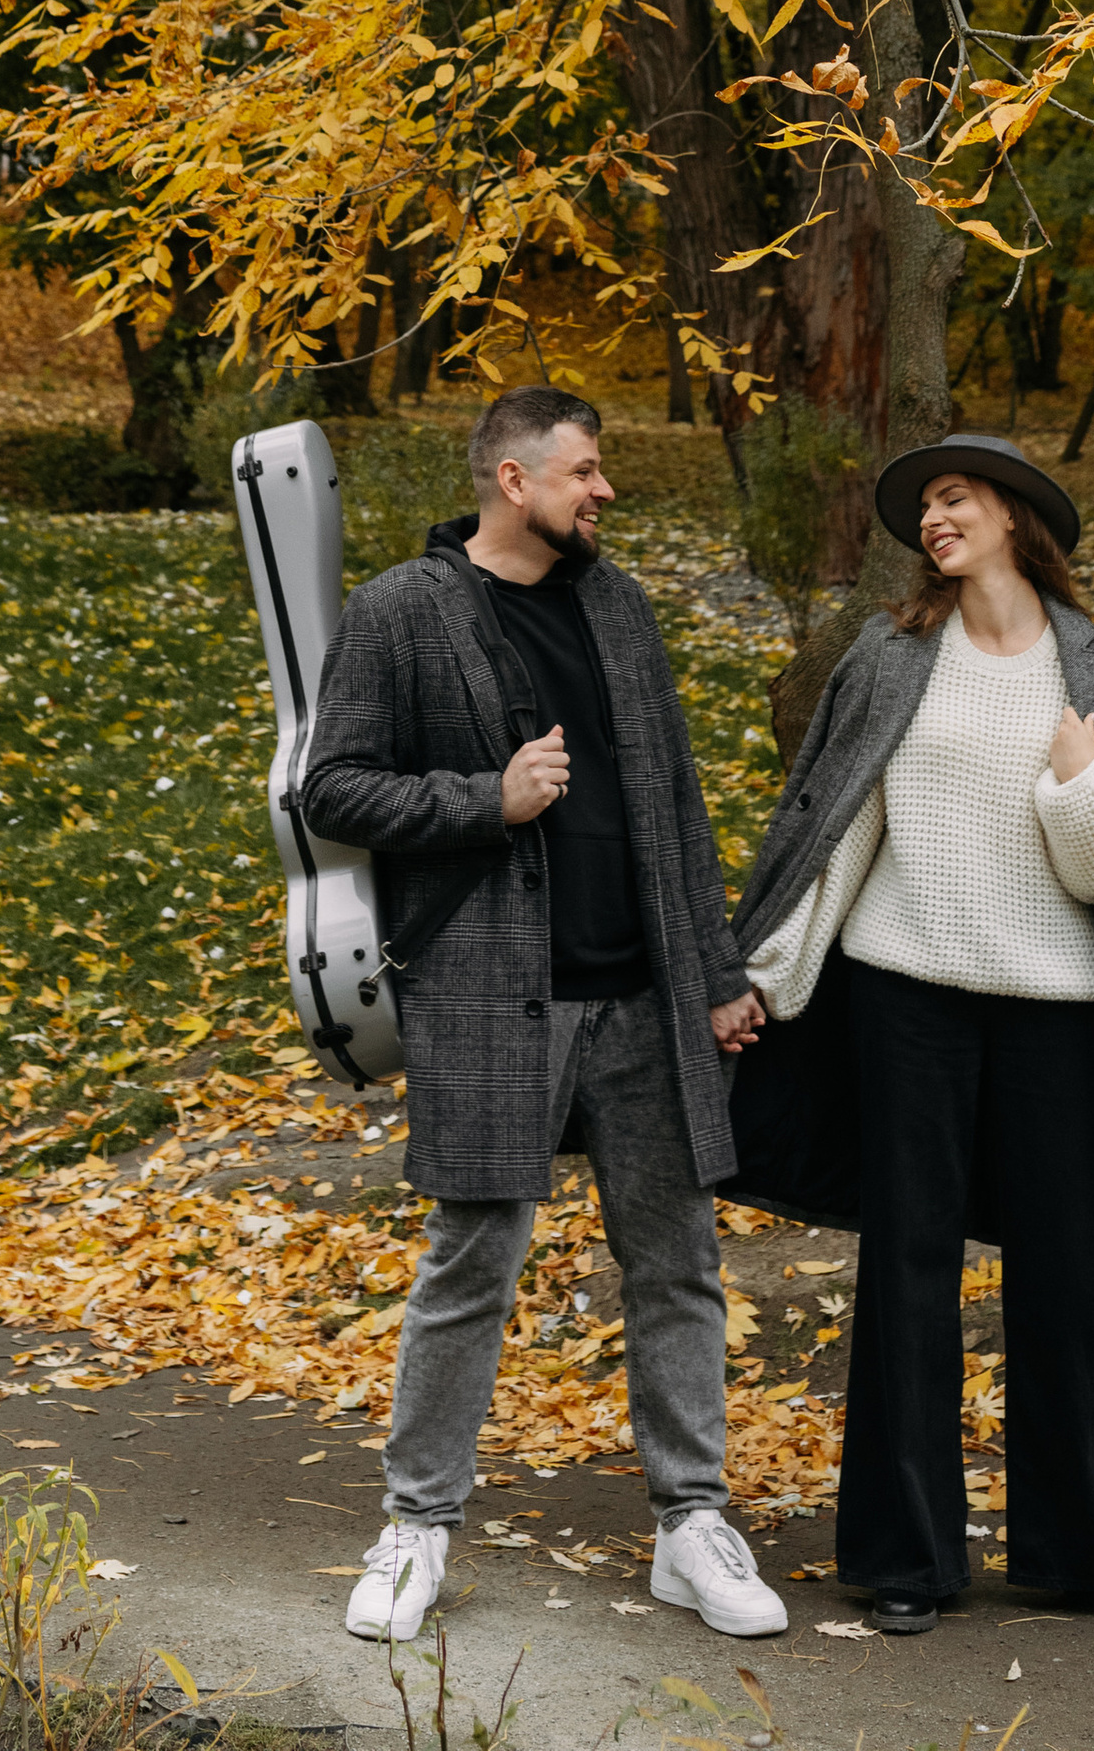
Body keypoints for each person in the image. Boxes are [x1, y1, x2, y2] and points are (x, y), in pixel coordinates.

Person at [302, 381, 788, 1651]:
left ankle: (692, 1526)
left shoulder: (617, 607)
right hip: (484, 994)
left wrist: (718, 971)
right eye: (584, 470)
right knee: (472, 1267)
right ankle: (416, 1526)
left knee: (676, 1264)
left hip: (642, 1000)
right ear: (513, 481)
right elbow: (331, 790)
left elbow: (674, 804)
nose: (603, 489)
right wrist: (486, 799)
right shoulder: (400, 614)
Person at [725, 431, 1094, 1640]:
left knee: (1074, 1281)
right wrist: (759, 976)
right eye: (924, 508)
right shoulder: (895, 655)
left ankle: (1091, 1554)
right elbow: (835, 828)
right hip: (904, 996)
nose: (933, 522)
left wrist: (1077, 789)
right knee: (908, 1268)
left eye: (954, 501)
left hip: (1058, 1008)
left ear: (1014, 516)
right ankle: (903, 1556)